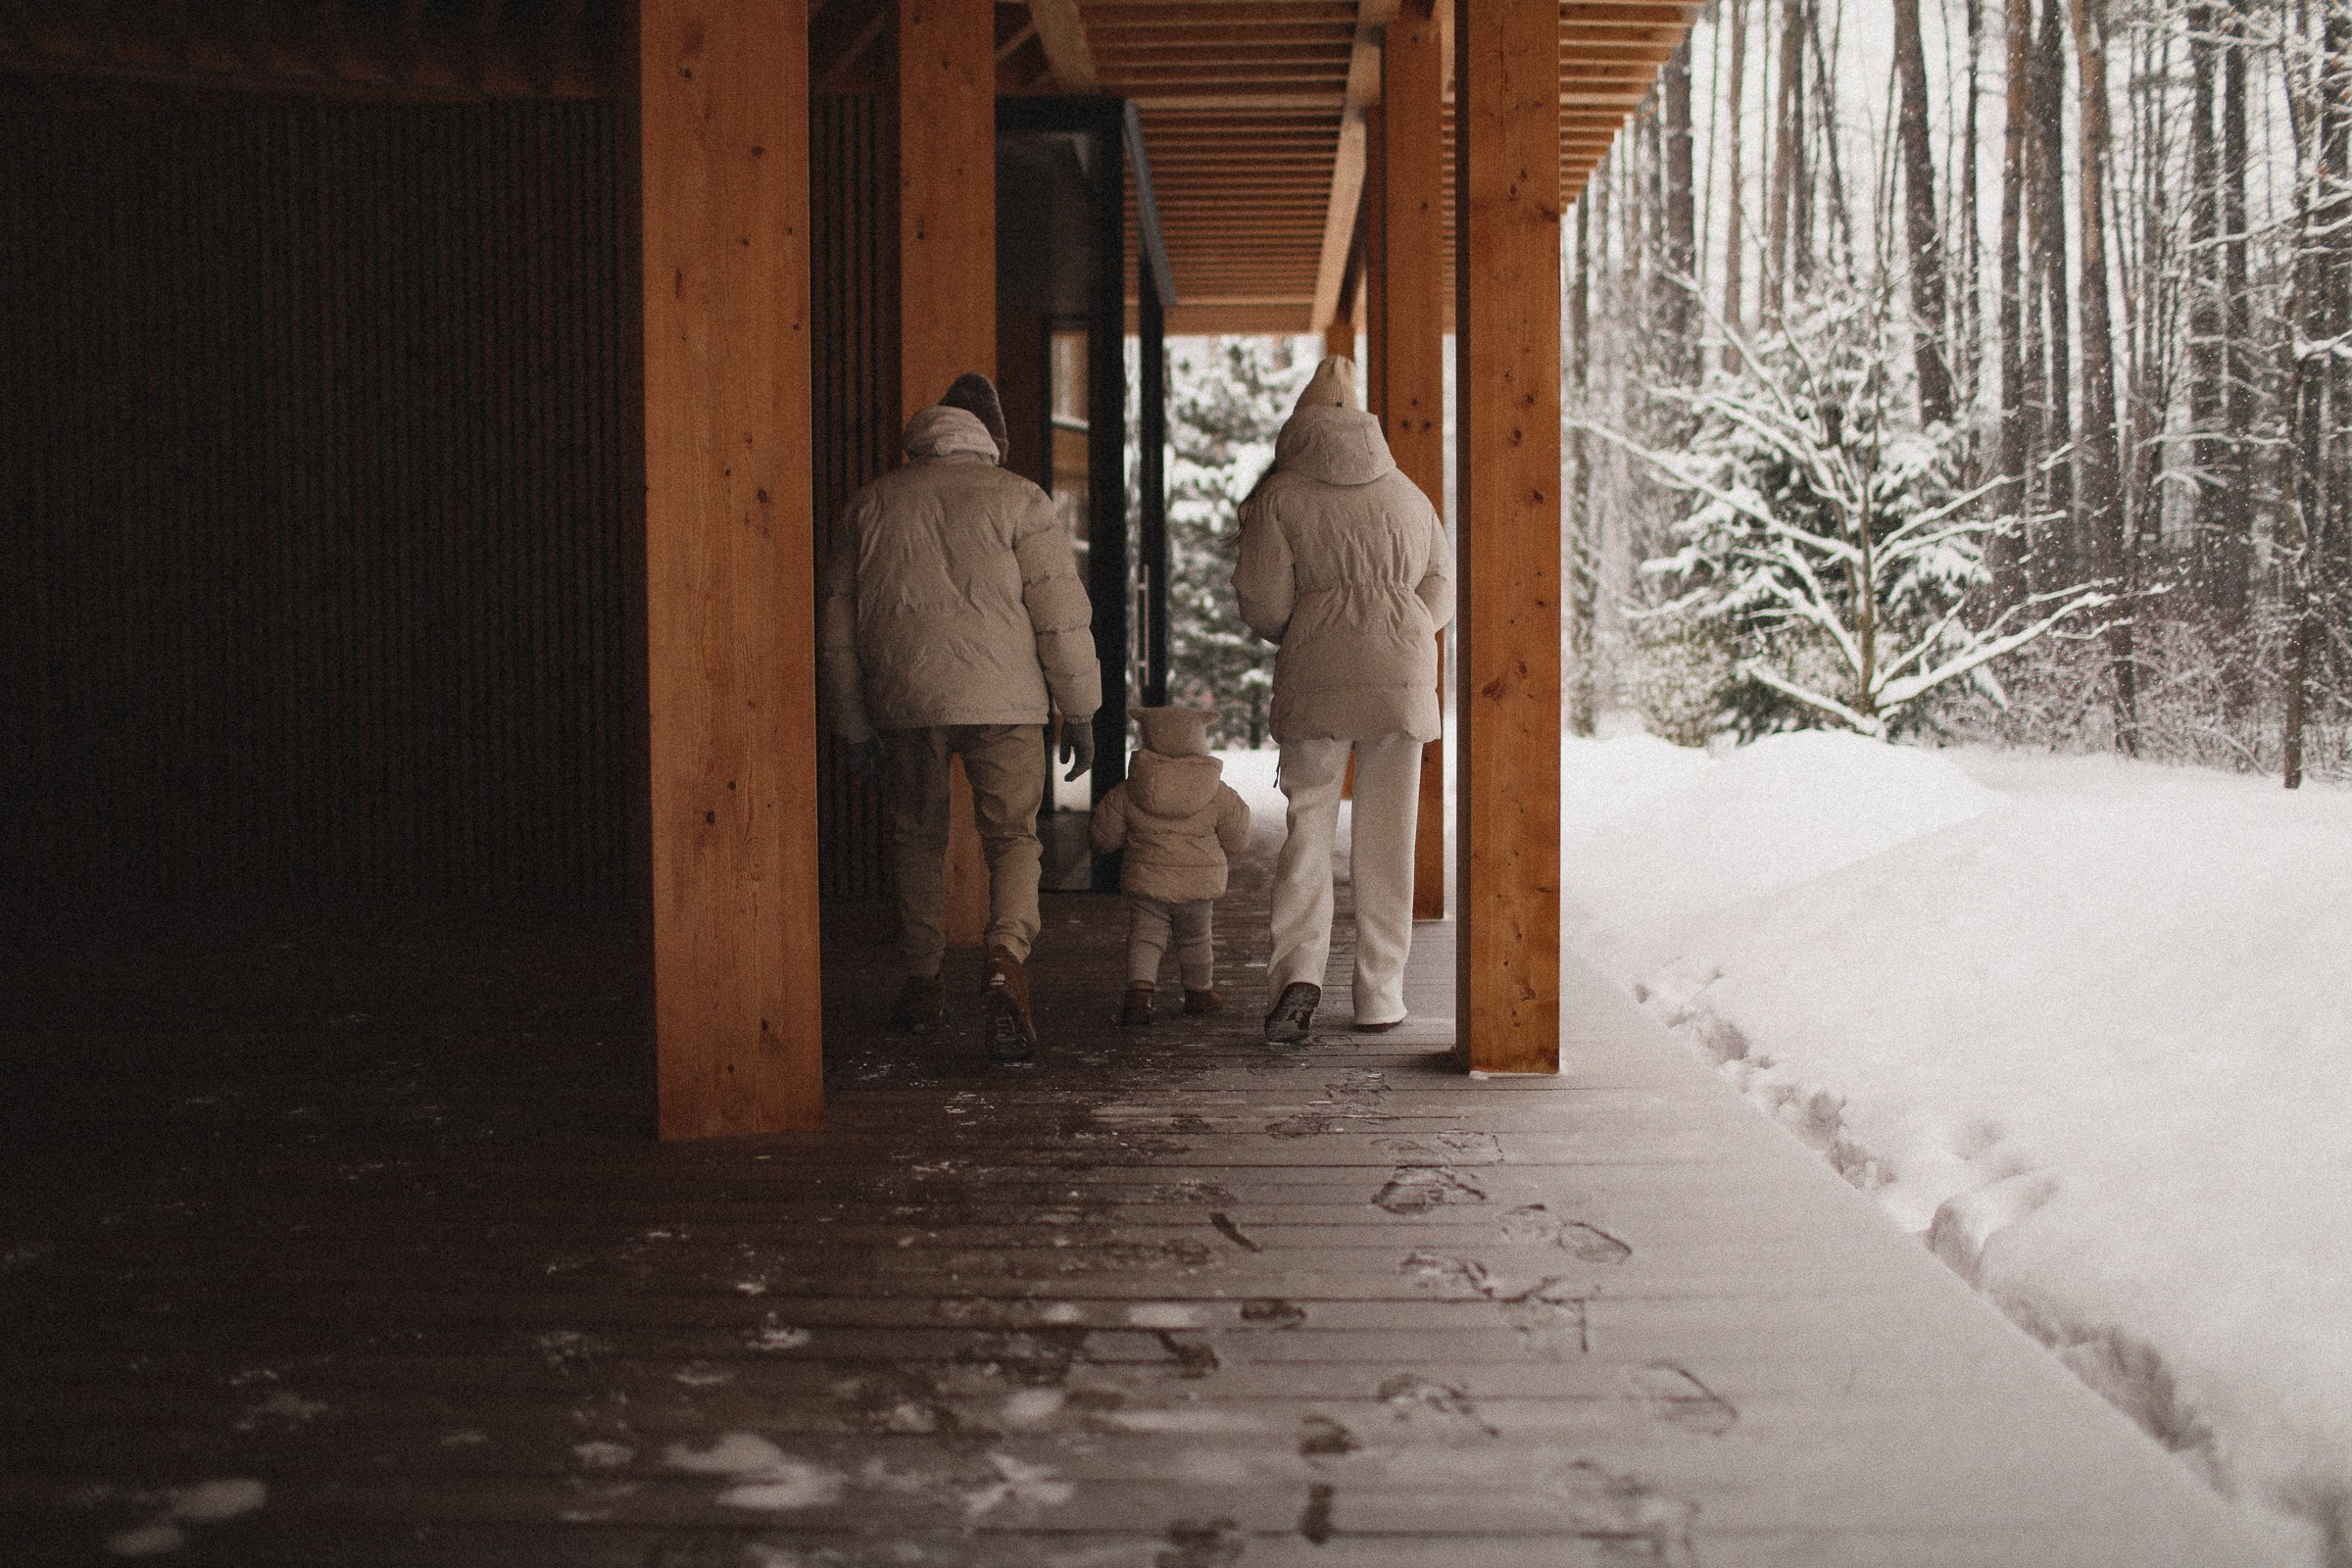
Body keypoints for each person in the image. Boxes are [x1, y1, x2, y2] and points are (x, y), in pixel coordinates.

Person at [819, 372, 1100, 1062]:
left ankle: (923, 978)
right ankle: (1005, 958)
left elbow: (838, 630)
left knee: (916, 835)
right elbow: (1059, 616)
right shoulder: (1020, 500)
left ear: (923, 440)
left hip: (905, 702)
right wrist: (1082, 710)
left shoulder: (871, 504)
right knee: (1012, 838)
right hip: (1007, 703)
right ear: (989, 440)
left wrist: (853, 726)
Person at [1232, 356, 1453, 1044]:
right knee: (1390, 840)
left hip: (1317, 677)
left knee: (1309, 828)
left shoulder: (1281, 497)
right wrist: (1401, 625)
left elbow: (1265, 606)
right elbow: (1440, 590)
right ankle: (1380, 995)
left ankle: (1298, 974)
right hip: (1403, 677)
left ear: (1300, 428)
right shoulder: (1409, 495)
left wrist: (1316, 622)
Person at [1089, 707, 1253, 1028]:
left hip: (1147, 881)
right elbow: (1238, 836)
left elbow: (1104, 834)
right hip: (1197, 884)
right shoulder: (1217, 792)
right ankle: (1199, 993)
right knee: (1196, 938)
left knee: (1145, 937)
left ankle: (1139, 994)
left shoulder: (1130, 789)